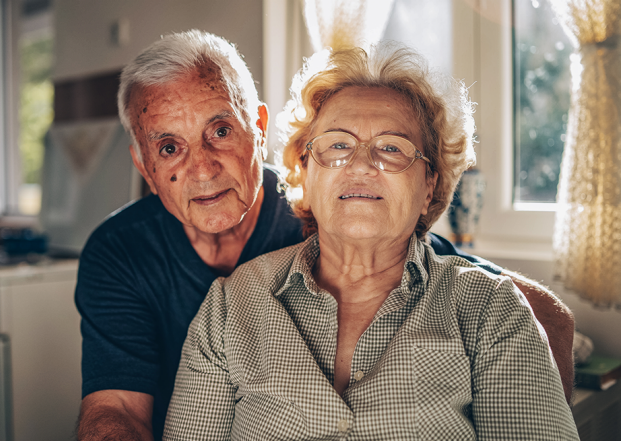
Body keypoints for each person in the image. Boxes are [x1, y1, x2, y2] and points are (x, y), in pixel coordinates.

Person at [75, 30, 574, 441]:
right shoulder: (189, 287)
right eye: (168, 147)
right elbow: (116, 407)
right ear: (143, 163)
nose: (202, 168)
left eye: (221, 131)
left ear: (258, 127)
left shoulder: (351, 217)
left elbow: (490, 297)